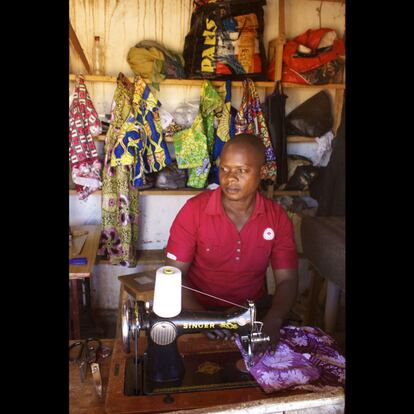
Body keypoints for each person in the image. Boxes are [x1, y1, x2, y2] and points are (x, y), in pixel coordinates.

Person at [165, 133, 298, 352]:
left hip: (251, 312)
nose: (230, 178)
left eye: (242, 171)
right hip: (197, 310)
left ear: (262, 172)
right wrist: (203, 318)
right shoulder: (194, 211)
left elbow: (288, 279)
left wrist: (274, 319)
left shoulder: (277, 217)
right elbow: (173, 275)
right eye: (225, 169)